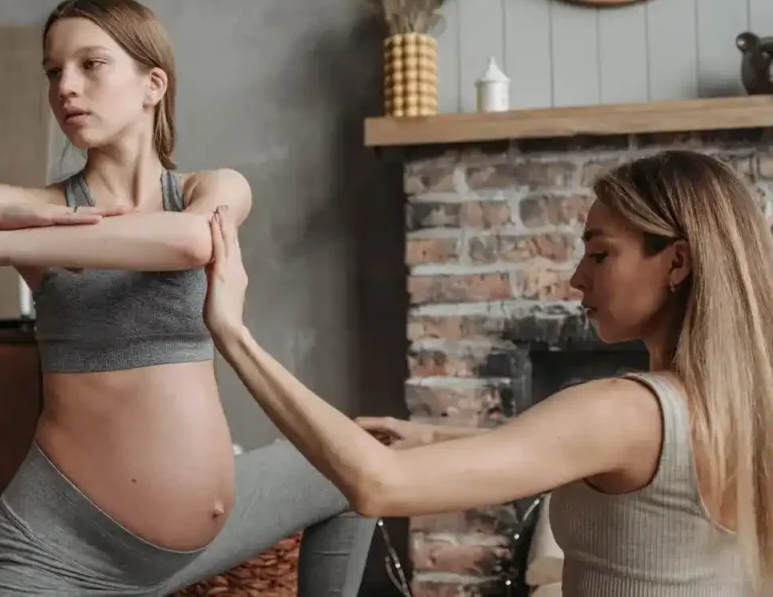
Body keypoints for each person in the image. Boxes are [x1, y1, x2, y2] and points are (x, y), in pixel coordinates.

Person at [0, 0, 376, 595]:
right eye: (53, 71)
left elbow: (191, 242)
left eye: (90, 64)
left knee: (352, 469)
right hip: (59, 550)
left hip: (197, 544)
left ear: (153, 84)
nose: (65, 87)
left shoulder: (209, 190)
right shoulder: (35, 208)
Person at [201, 150, 773, 596]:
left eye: (600, 254)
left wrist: (234, 334)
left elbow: (377, 485)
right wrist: (434, 436)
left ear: (676, 262)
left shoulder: (624, 411)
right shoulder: (738, 406)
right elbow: (581, 455)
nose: (577, 278)